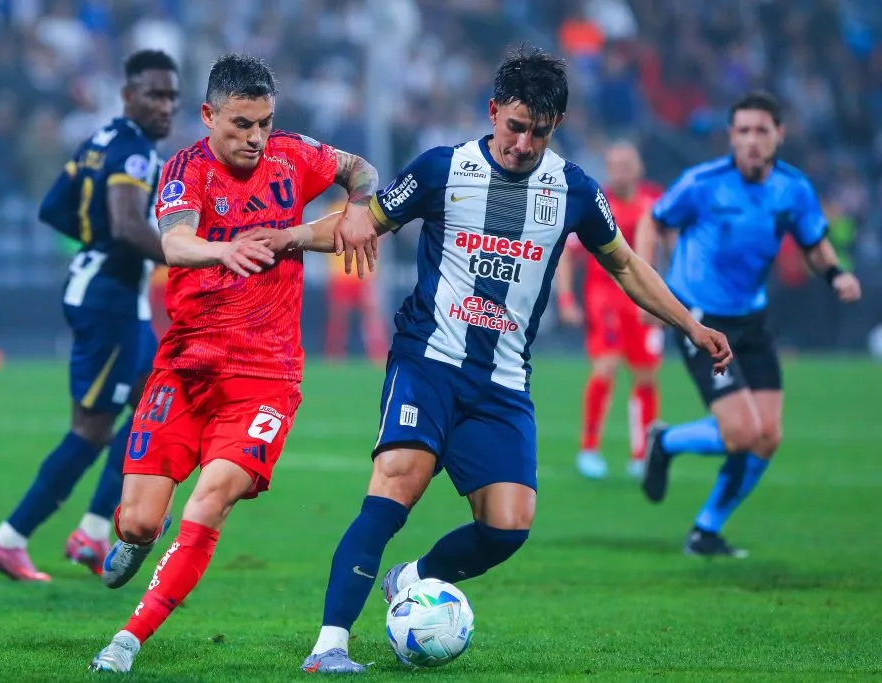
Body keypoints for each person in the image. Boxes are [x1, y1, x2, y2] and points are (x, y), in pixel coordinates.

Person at [297, 47, 731, 674]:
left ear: (556, 128)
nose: (524, 143)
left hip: (501, 382)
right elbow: (362, 220)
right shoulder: (442, 169)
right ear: (493, 110)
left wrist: (690, 324)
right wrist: (284, 239)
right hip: (429, 360)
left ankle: (411, 578)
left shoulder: (574, 190)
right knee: (393, 487)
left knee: (507, 527)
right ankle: (329, 648)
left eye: (540, 132)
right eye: (516, 126)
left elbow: (628, 265)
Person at [88, 53, 379, 673]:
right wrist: (225, 252)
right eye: (240, 124)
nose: (254, 138)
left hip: (267, 376)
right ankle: (143, 536)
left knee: (211, 497)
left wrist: (357, 203)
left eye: (263, 124)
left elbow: (361, 168)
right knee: (138, 522)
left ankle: (128, 638)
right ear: (208, 115)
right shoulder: (184, 169)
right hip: (188, 364)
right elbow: (173, 241)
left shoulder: (293, 156)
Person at [0, 50, 179, 581]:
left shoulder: (101, 141)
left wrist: (92, 240)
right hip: (108, 300)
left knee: (153, 406)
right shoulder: (135, 153)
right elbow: (128, 225)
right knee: (90, 430)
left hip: (116, 296)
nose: (166, 106)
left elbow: (52, 207)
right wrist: (192, 259)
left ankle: (91, 533)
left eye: (172, 96)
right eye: (155, 95)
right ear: (128, 95)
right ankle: (9, 539)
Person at [639, 91, 862, 558]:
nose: (752, 140)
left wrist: (837, 274)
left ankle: (705, 530)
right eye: (743, 131)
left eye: (762, 130)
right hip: (700, 317)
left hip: (751, 318)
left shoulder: (793, 189)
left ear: (779, 135)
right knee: (741, 433)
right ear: (730, 137)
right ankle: (666, 442)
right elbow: (653, 219)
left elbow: (814, 242)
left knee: (767, 437)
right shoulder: (702, 182)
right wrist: (649, 281)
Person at [555, 142, 663, 480]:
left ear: (640, 166)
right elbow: (567, 253)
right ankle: (589, 448)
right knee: (607, 367)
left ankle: (641, 453)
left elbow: (667, 246)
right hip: (605, 299)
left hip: (643, 301)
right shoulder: (595, 202)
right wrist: (566, 299)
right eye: (614, 165)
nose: (621, 171)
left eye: (627, 164)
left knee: (645, 375)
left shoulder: (654, 202)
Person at [322, 196, 388, 363]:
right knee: (339, 317)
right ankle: (334, 356)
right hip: (342, 275)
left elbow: (381, 233)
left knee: (371, 316)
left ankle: (378, 354)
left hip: (364, 275)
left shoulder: (369, 209)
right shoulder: (336, 209)